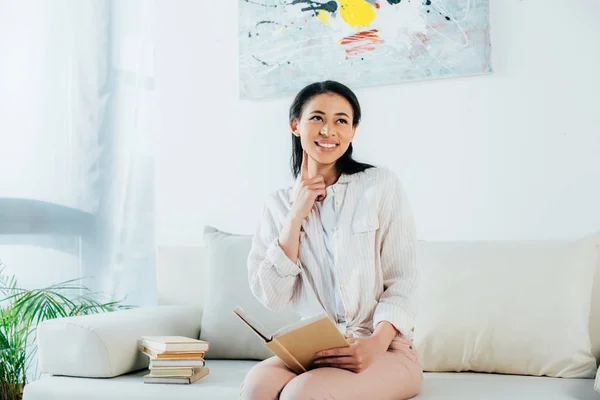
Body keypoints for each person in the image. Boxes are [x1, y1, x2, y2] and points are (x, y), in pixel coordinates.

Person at [241, 80, 422, 400]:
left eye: (341, 120)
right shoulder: (278, 204)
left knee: (303, 394)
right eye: (317, 118)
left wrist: (375, 344)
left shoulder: (380, 185)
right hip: (317, 349)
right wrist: (296, 214)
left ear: (353, 131)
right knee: (257, 388)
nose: (329, 130)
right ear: (295, 125)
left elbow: (403, 281)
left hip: (385, 349)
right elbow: (273, 297)